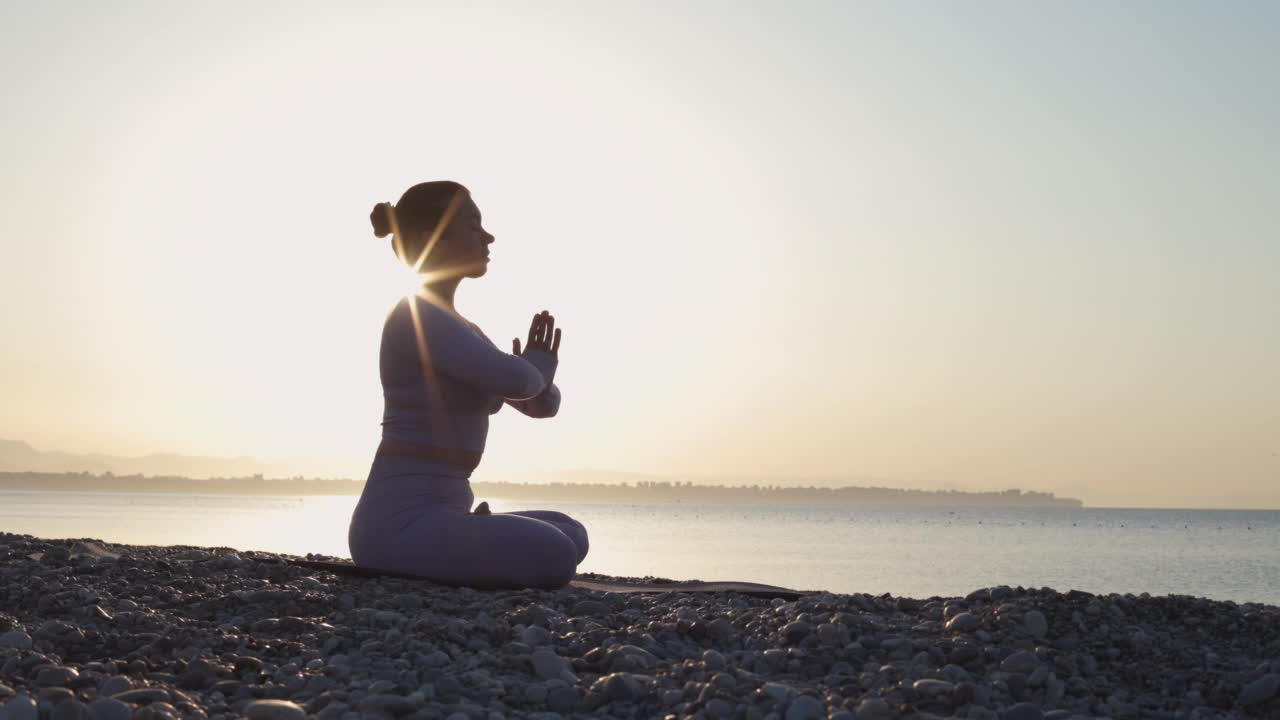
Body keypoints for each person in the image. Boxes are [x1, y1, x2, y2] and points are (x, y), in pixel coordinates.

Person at [347, 180, 589, 590]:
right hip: (395, 526)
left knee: (572, 532)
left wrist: (536, 373)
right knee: (557, 553)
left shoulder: (462, 328)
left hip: (444, 514)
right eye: (473, 224)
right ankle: (455, 545)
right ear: (433, 239)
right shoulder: (415, 318)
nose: (488, 236)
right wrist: (532, 369)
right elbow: (517, 380)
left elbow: (539, 404)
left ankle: (464, 537)